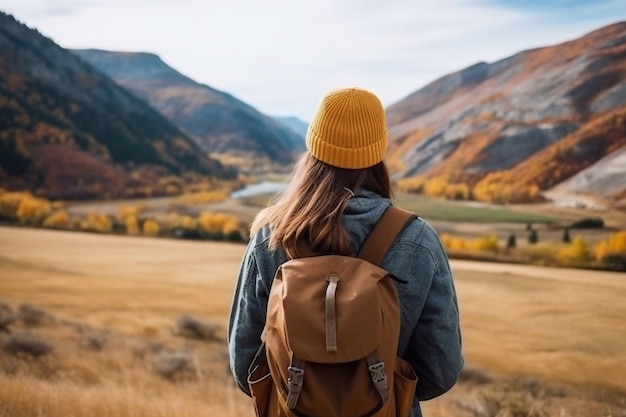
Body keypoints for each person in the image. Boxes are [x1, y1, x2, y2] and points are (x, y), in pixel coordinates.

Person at [227, 87, 463, 416]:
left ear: (313, 147)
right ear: (377, 151)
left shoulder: (271, 236)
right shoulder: (418, 239)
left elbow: (245, 367)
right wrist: (373, 395)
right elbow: (441, 370)